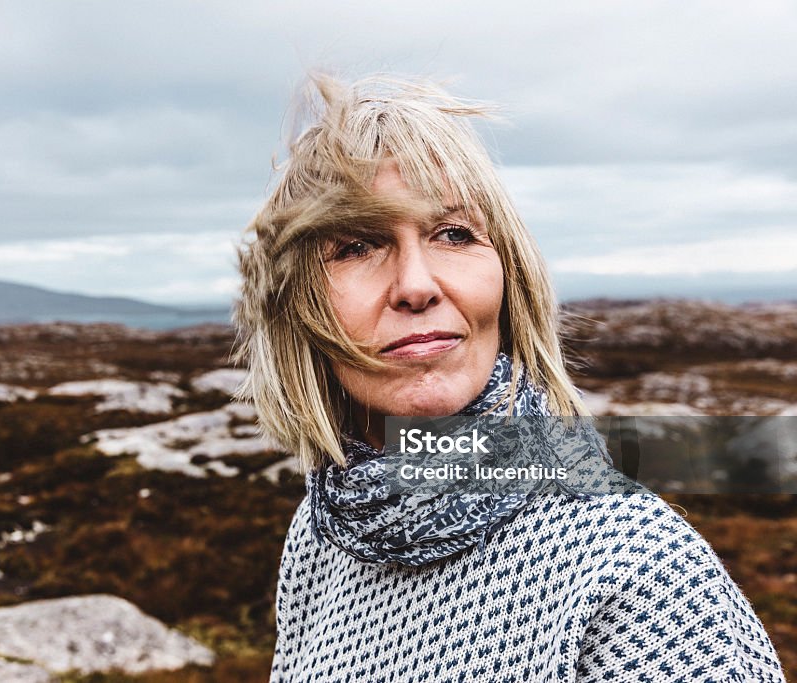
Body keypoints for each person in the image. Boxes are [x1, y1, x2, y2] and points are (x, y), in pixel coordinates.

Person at [231, 73, 787, 682]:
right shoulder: (322, 534)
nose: (417, 285)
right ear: (296, 307)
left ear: (509, 277)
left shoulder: (636, 566)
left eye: (454, 234)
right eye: (358, 245)